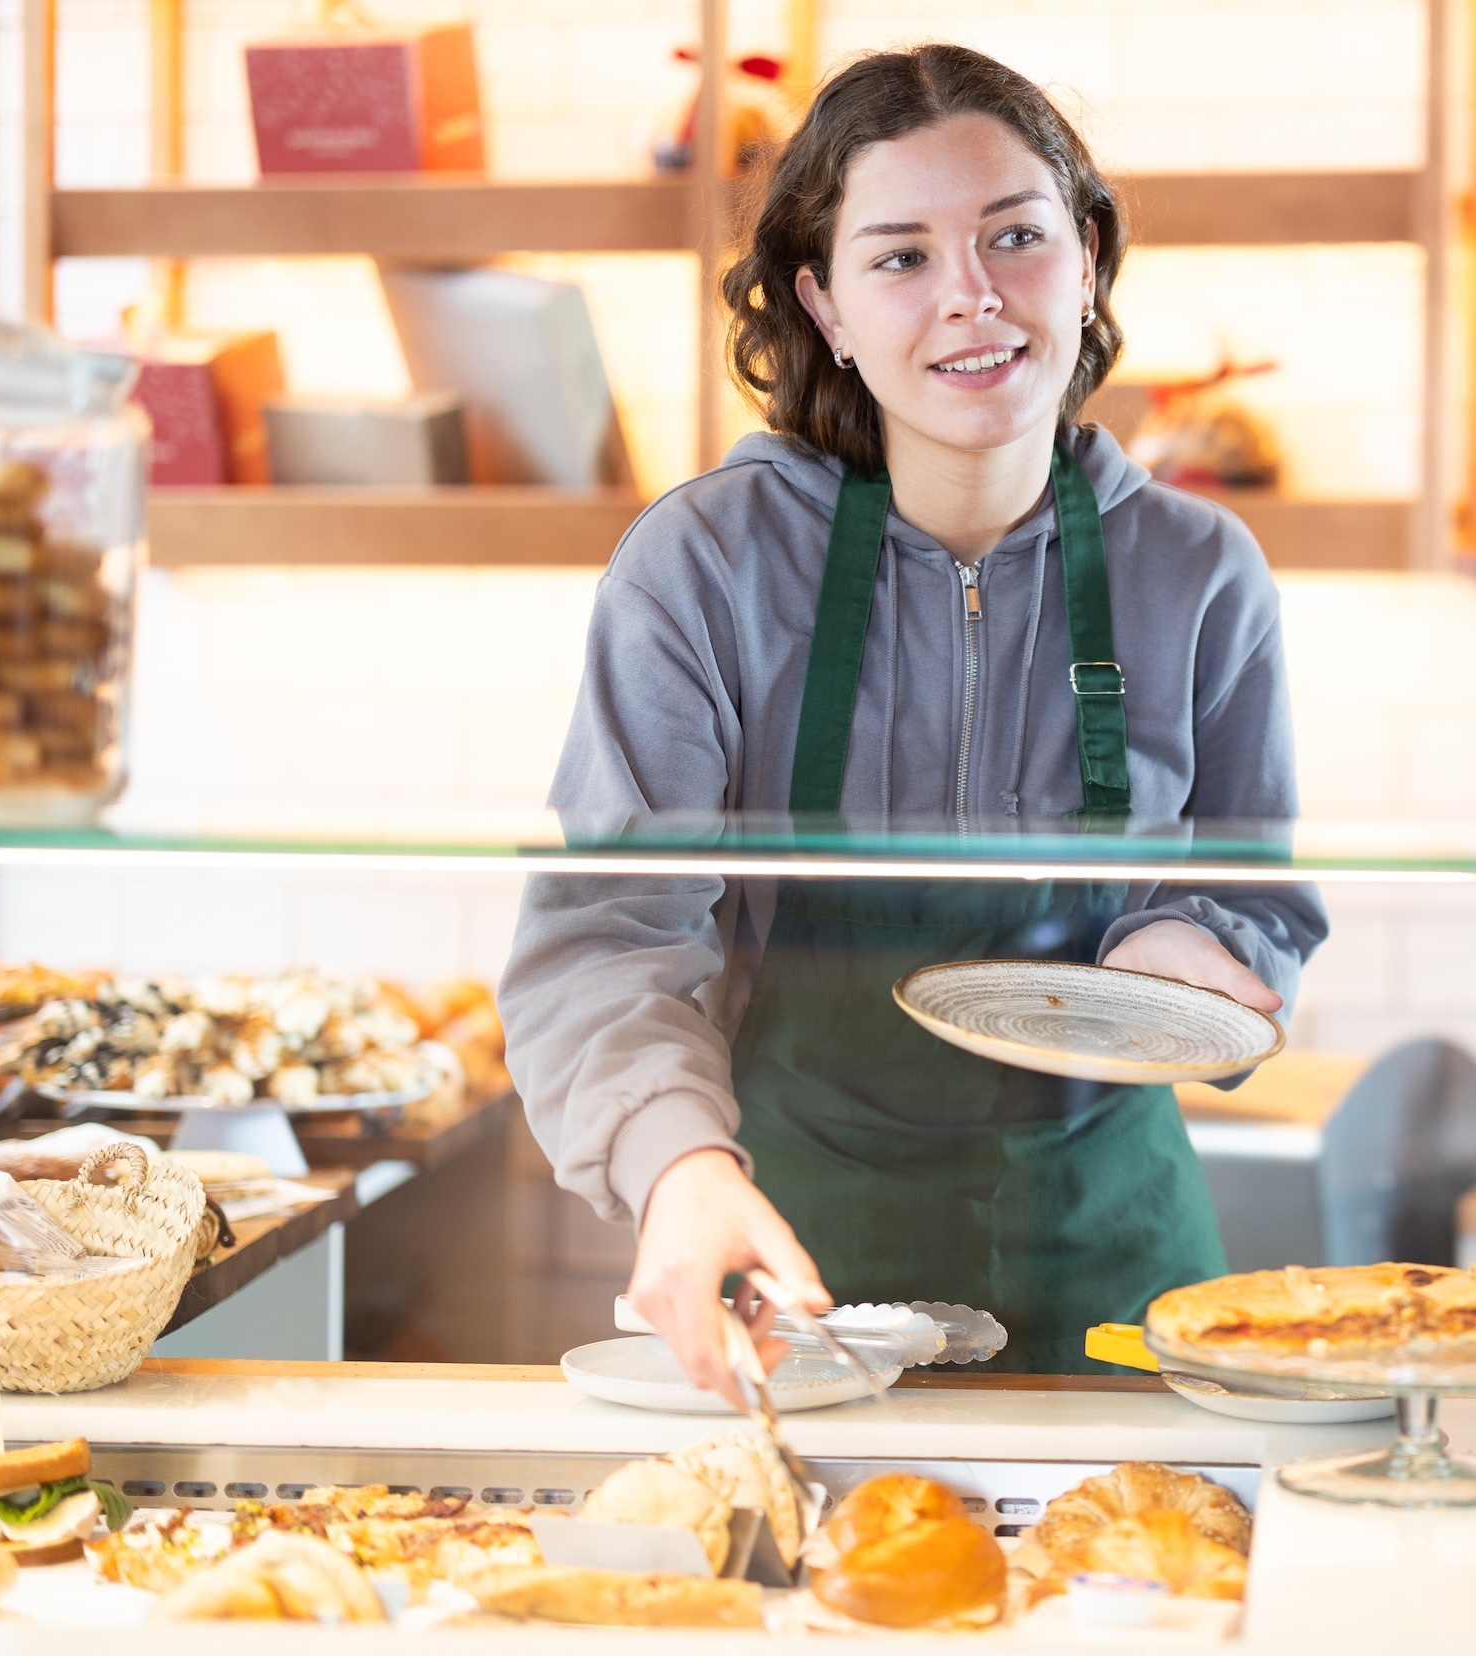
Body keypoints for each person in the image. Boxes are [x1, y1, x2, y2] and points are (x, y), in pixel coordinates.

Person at [499, 44, 1324, 1388]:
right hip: (794, 1264)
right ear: (821, 301)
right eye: (901, 258)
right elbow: (606, 937)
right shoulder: (705, 568)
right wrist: (676, 1168)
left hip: (1118, 1263)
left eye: (1016, 236)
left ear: (1090, 255)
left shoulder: (1200, 573)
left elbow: (1249, 897)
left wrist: (1191, 948)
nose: (973, 300)